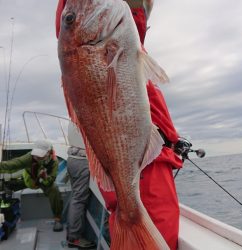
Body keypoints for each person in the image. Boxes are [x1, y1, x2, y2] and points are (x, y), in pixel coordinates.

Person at [56, 1, 183, 249]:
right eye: (70, 19)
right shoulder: (97, 27)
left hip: (127, 154)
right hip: (142, 164)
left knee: (126, 219)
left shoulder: (108, 26)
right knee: (151, 227)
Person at [0, 140, 64, 232]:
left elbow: (51, 180)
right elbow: (13, 164)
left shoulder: (54, 162)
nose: (36, 157)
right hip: (29, 179)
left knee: (54, 189)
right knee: (6, 185)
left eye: (40, 156)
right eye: (35, 155)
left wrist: (45, 177)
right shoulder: (30, 157)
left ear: (49, 153)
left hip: (43, 181)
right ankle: (9, 187)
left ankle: (58, 219)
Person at [66, 122, 96, 249]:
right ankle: (74, 237)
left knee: (76, 197)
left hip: (73, 158)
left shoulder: (75, 114)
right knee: (78, 199)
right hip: (82, 161)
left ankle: (73, 233)